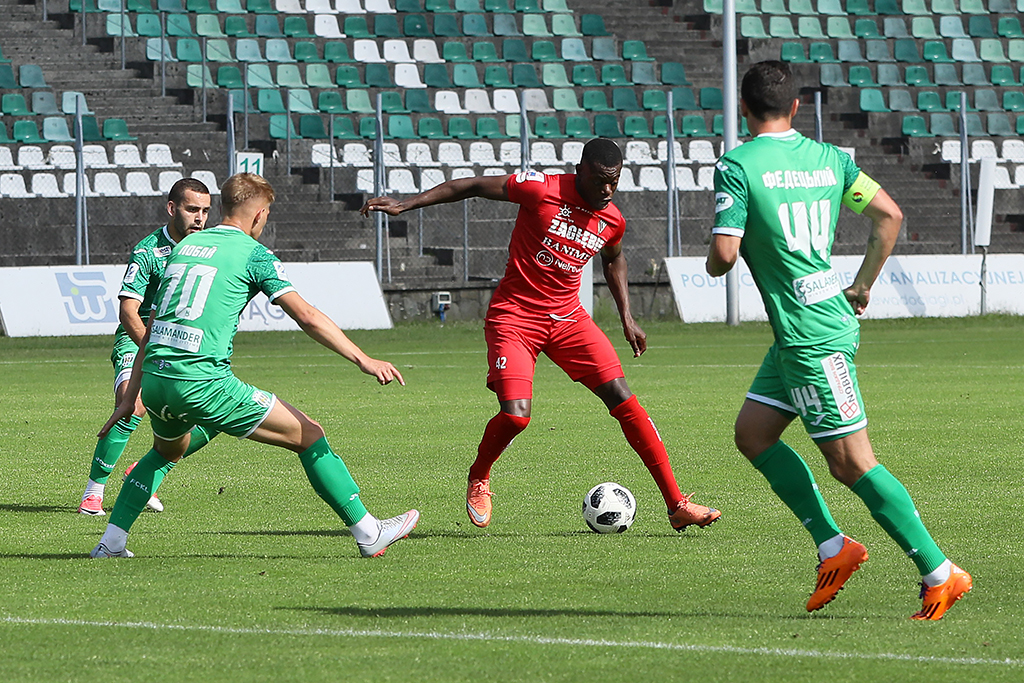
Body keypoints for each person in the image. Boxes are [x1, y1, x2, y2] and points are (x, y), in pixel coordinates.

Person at [706, 61, 970, 620]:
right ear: (796, 107)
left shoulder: (737, 165)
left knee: (852, 463)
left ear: (743, 108)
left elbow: (724, 256)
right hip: (807, 328)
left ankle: (940, 571)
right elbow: (888, 216)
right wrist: (863, 284)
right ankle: (834, 547)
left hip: (811, 339)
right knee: (753, 434)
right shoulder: (831, 160)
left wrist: (715, 259)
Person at [360, 138, 720, 532]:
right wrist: (405, 204)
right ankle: (479, 476)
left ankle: (677, 505)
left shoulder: (613, 219)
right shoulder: (540, 188)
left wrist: (627, 316)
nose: (607, 190)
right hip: (515, 317)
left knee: (624, 399)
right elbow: (472, 185)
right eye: (599, 181)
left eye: (614, 182)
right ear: (580, 171)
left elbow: (614, 258)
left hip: (569, 320)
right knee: (516, 417)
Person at [91, 173, 418, 559]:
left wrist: (129, 398)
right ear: (260, 214)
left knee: (165, 453)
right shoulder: (254, 254)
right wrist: (364, 359)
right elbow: (307, 316)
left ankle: (111, 543)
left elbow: (153, 325)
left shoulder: (185, 247)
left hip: (157, 379)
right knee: (309, 435)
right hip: (203, 382)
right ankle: (368, 532)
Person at [78, 178, 218, 517]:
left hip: (185, 343)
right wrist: (151, 350)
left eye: (205, 211)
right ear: (172, 208)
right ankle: (93, 494)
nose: (200, 218)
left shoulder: (211, 248)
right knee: (133, 403)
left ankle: (143, 470)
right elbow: (128, 312)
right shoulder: (149, 251)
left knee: (217, 413)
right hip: (138, 338)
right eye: (192, 209)